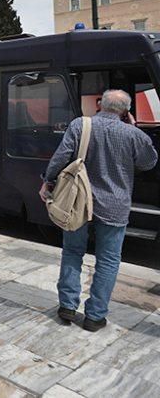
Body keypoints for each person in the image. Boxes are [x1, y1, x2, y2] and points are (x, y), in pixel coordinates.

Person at [40, 89, 157, 331]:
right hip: (115, 206)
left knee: (72, 252)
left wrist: (48, 182)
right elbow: (149, 162)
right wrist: (135, 128)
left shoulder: (79, 125)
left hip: (77, 203)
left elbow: (61, 157)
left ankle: (67, 307)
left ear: (99, 105)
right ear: (125, 111)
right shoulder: (132, 133)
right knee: (108, 260)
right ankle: (95, 317)